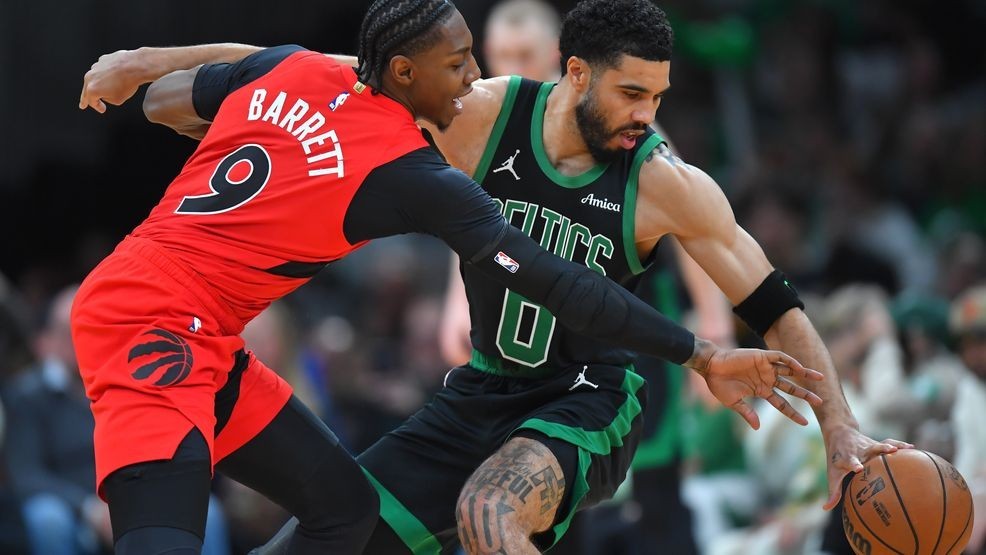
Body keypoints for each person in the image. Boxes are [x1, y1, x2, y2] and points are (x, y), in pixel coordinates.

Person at [75, 1, 826, 554]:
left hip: (215, 331)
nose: (475, 76)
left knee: (347, 510)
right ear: (404, 72)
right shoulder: (413, 168)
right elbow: (554, 279)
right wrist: (700, 351)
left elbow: (170, 103)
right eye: (461, 61)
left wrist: (160, 74)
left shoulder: (297, 69)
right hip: (151, 318)